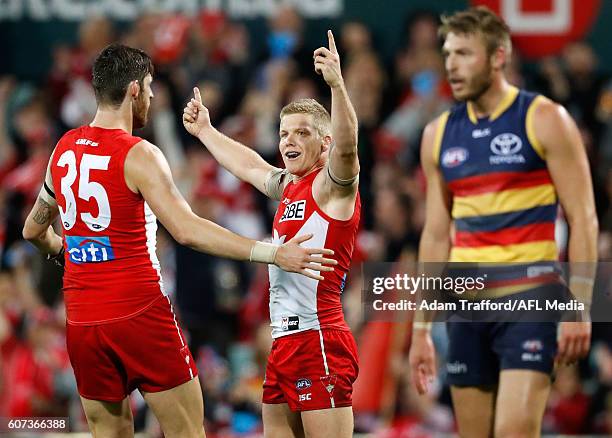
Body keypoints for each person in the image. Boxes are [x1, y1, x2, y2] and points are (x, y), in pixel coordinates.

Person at [21, 43, 337, 438]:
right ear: (134, 89)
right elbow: (186, 230)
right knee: (187, 431)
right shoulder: (139, 154)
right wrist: (272, 253)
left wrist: (62, 251)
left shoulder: (62, 150)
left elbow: (33, 230)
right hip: (139, 312)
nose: (152, 97)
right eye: (150, 87)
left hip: (83, 319)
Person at [408, 7, 598, 438]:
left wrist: (580, 306)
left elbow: (583, 218)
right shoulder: (437, 135)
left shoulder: (545, 119)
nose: (451, 65)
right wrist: (422, 328)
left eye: (464, 53)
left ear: (498, 57)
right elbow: (436, 235)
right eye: (448, 53)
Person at [182, 30, 360, 438]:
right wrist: (207, 132)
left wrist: (337, 85)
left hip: (319, 340)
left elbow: (349, 150)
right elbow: (248, 166)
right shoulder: (289, 187)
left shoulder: (331, 187)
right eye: (283, 134)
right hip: (282, 343)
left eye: (302, 133)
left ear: (324, 142)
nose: (289, 141)